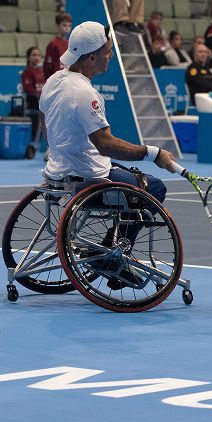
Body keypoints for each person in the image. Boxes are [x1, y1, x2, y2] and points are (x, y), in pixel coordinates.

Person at [40, 22, 177, 283]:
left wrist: (64, 152)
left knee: (128, 176)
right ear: (91, 57)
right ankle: (112, 257)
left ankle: (108, 252)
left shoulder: (53, 81)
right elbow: (106, 145)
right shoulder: (85, 93)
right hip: (88, 179)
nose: (111, 56)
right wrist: (154, 153)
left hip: (57, 173)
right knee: (155, 188)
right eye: (107, 51)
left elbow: (46, 125)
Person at [21, 46, 45, 145]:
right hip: (33, 105)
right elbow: (28, 90)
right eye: (34, 55)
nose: (37, 57)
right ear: (28, 57)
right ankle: (32, 146)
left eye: (39, 55)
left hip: (43, 104)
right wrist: (40, 97)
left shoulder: (42, 71)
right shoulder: (26, 72)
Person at [43, 12, 71, 79]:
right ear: (57, 26)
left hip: (67, 78)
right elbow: (48, 67)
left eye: (69, 26)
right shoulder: (53, 44)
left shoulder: (69, 44)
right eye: (64, 25)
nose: (67, 28)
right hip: (56, 80)